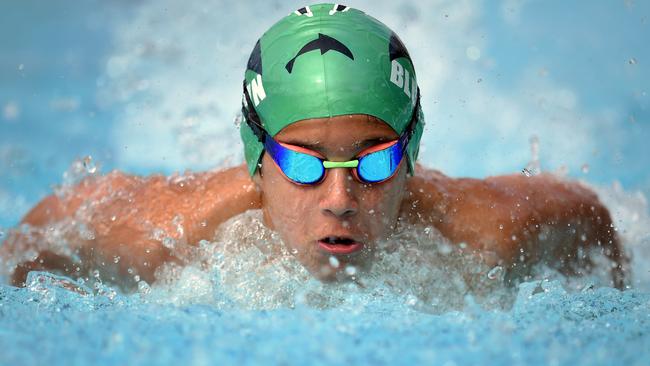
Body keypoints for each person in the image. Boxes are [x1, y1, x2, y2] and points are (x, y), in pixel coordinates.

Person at [0, 3, 626, 290]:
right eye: (301, 163)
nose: (341, 199)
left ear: (412, 154)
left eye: (376, 160)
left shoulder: (485, 233)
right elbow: (40, 233)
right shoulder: (166, 238)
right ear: (257, 160)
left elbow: (588, 216)